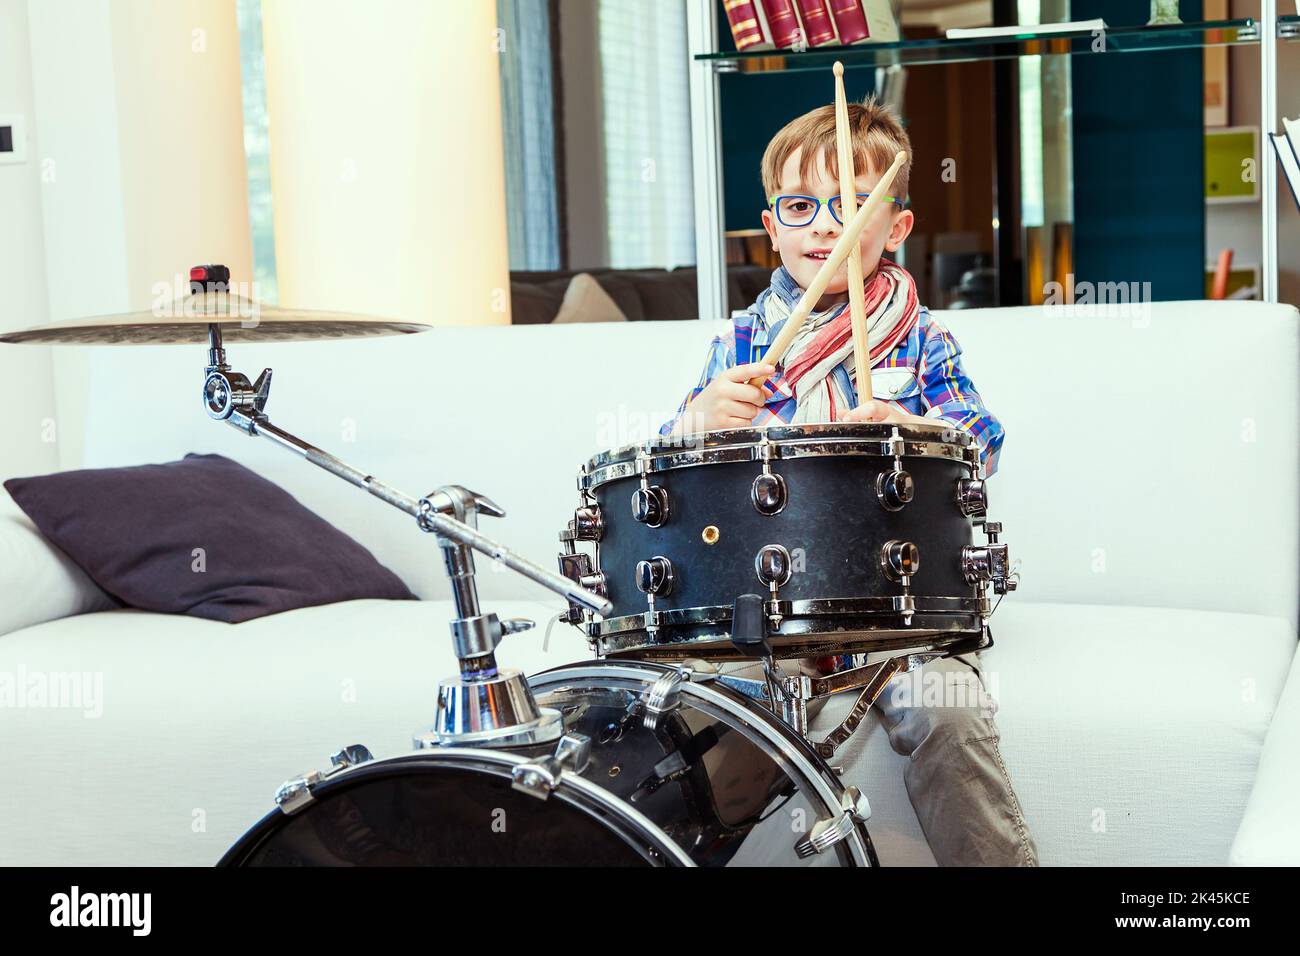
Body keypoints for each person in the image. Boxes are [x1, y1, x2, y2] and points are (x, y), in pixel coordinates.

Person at [660, 96, 1037, 866]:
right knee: (702, 727)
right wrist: (699, 420)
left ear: (896, 228)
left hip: (899, 613)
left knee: (948, 715)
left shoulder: (923, 336)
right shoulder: (737, 340)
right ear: (770, 229)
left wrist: (911, 425)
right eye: (800, 207)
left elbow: (982, 444)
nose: (824, 227)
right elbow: (672, 476)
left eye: (853, 206)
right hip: (766, 610)